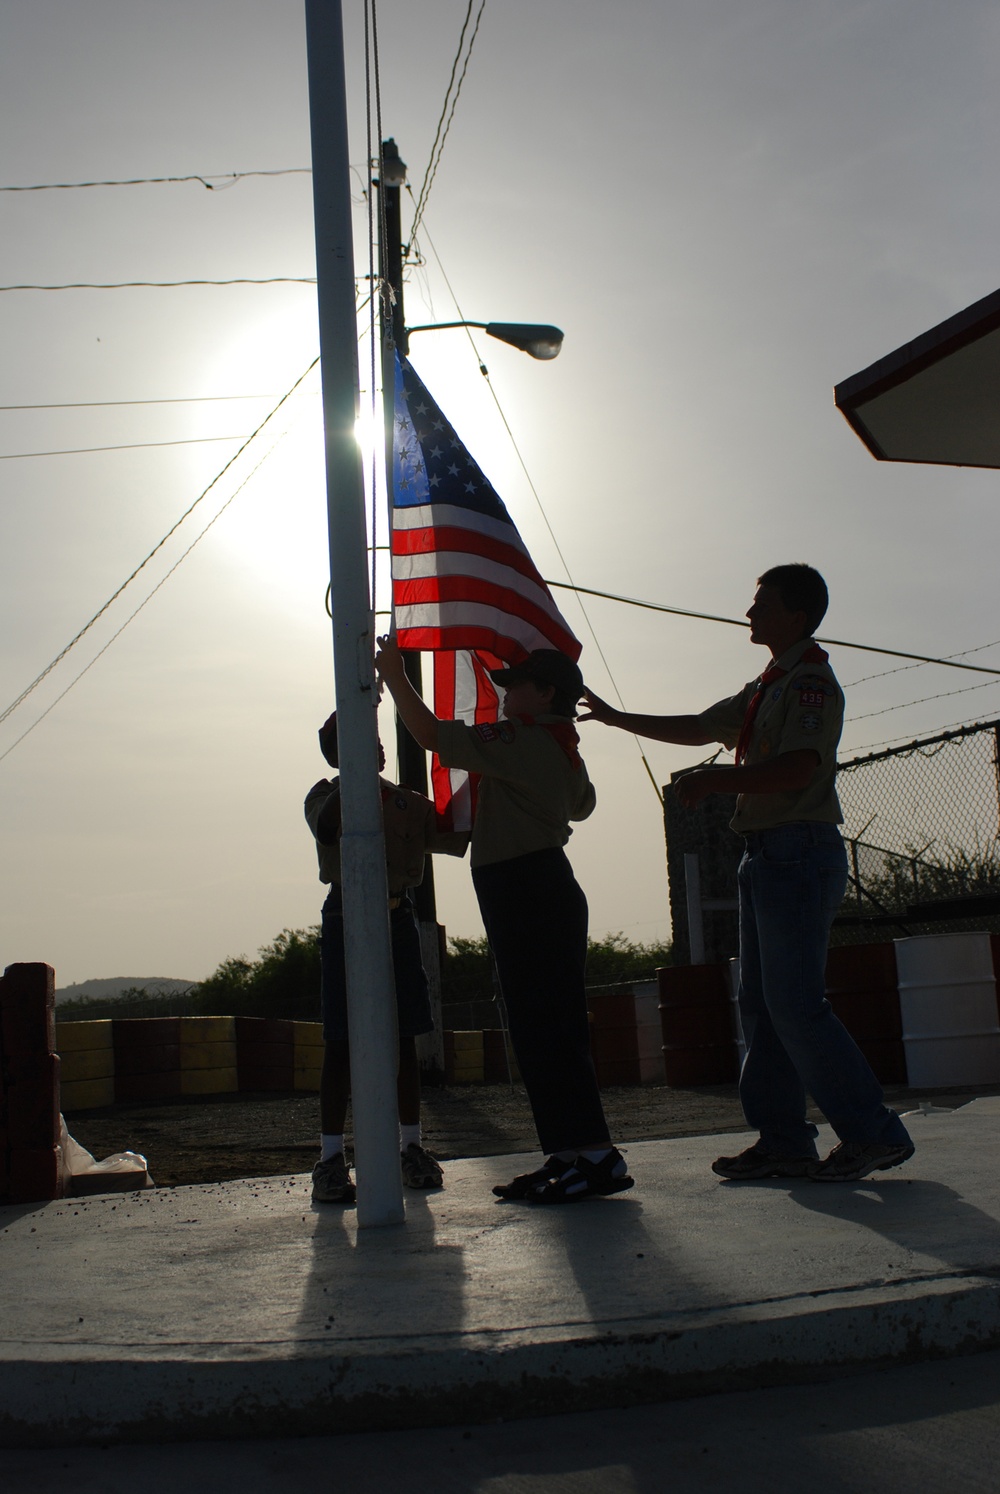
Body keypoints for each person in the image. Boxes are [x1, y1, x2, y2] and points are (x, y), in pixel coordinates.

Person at [581, 564, 914, 1184]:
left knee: (796, 1005)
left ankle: (874, 1135)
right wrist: (614, 717)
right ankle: (785, 1142)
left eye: (761, 603)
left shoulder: (810, 682)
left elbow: (798, 768)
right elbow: (697, 727)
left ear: (797, 614)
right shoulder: (770, 685)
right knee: (762, 1005)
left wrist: (715, 780)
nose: (749, 612)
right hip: (767, 856)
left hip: (796, 853)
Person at [375, 636, 634, 1205]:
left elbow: (430, 737)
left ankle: (593, 1154)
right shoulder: (561, 746)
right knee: (542, 1028)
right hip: (537, 885)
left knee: (548, 1029)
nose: (505, 692)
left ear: (545, 693)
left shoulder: (525, 739)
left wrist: (395, 674)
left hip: (527, 887)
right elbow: (583, 803)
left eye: (516, 684)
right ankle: (568, 1154)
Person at [304, 712, 468, 1204]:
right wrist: (352, 781)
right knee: (341, 1038)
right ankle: (331, 1159)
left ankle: (411, 1148)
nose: (372, 747)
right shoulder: (321, 795)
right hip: (346, 917)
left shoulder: (404, 802)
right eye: (356, 742)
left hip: (396, 917)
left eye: (373, 740)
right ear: (337, 754)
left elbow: (456, 833)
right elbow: (327, 827)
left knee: (403, 1036)